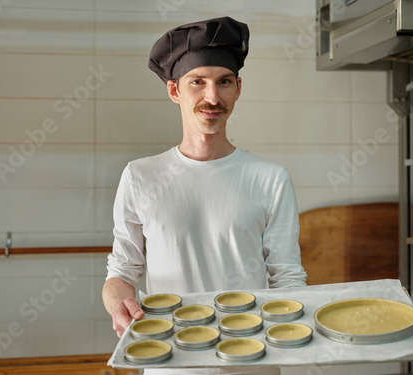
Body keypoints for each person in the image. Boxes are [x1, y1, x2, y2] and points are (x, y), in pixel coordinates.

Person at [102, 16, 307, 375]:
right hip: (170, 364)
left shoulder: (270, 179)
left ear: (238, 88)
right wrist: (120, 304)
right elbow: (122, 271)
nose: (212, 97)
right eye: (197, 82)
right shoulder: (141, 176)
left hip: (253, 364)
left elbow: (288, 278)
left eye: (223, 82)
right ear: (174, 91)